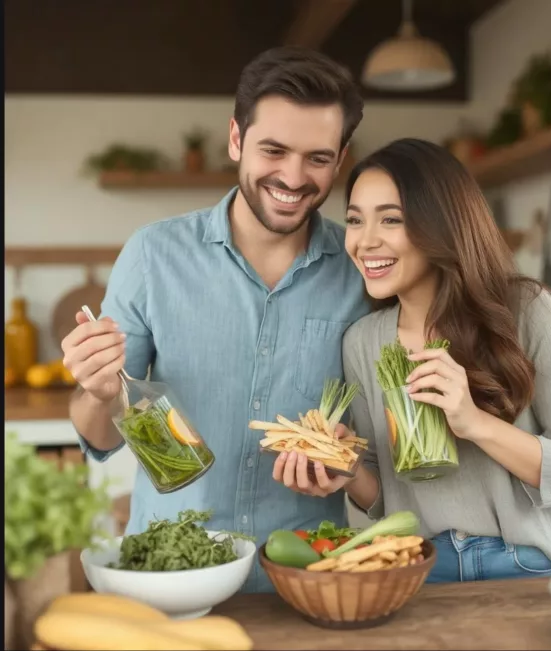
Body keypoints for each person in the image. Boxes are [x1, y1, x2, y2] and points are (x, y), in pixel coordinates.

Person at [60, 47, 372, 593]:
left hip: (307, 578)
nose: (293, 177)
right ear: (236, 140)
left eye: (317, 158)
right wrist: (98, 390)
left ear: (340, 159)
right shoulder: (154, 255)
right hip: (171, 570)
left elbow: (381, 446)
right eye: (273, 150)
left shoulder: (362, 269)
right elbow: (101, 435)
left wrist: (346, 457)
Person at [273, 137, 551, 582]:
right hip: (421, 568)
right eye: (355, 220)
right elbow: (385, 496)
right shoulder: (363, 340)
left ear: (441, 225)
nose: (365, 241)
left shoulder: (524, 310)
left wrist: (475, 423)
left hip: (527, 561)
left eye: (391, 219)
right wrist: (349, 471)